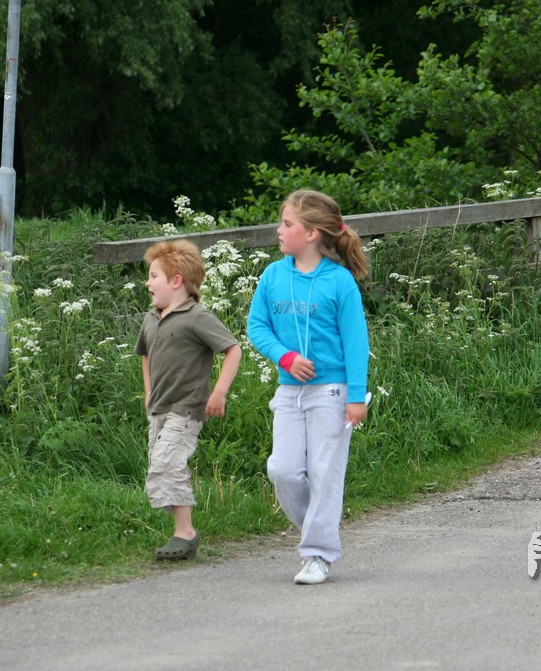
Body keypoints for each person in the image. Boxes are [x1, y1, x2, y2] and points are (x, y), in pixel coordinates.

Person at [247, 189, 370, 585]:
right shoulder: (272, 276)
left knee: (323, 473)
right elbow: (257, 327)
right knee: (282, 470)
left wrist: (356, 397)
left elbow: (356, 344)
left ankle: (318, 554)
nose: (279, 230)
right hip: (289, 392)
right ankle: (320, 533)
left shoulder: (340, 282)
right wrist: (284, 357)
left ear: (312, 233)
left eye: (287, 224)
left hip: (332, 392)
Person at [134, 239, 242, 560]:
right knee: (159, 466)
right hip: (159, 407)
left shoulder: (197, 317)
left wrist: (219, 392)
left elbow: (233, 349)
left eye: (154, 276)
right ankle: (181, 525)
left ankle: (186, 533)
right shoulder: (151, 317)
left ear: (176, 281)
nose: (148, 283)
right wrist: (148, 390)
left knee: (169, 464)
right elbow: (144, 354)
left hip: (186, 408)